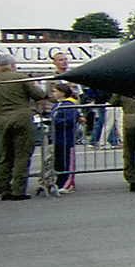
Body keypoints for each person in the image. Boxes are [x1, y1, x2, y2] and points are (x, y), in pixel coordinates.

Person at [0, 53, 50, 200]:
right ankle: (18, 190)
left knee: (5, 154)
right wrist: (36, 85)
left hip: (1, 119)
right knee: (22, 155)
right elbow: (39, 95)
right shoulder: (21, 76)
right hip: (21, 117)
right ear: (12, 65)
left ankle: (3, 188)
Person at [47, 52, 82, 192]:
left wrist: (78, 112)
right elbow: (46, 96)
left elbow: (78, 96)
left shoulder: (72, 78)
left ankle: (68, 181)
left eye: (65, 59)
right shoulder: (50, 79)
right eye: (60, 60)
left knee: (67, 157)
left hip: (67, 133)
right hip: (57, 133)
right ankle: (59, 179)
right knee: (58, 158)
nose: (64, 62)